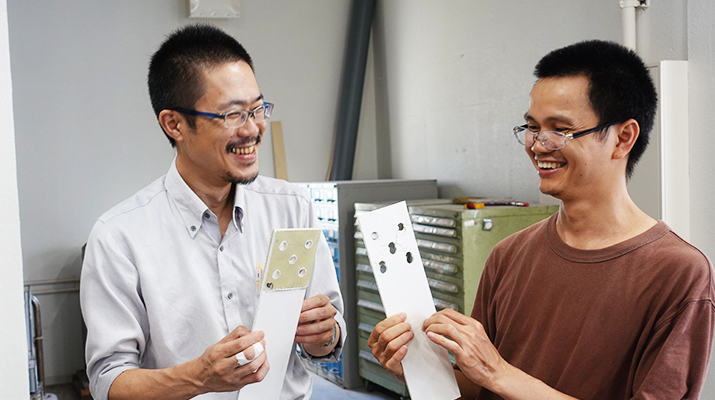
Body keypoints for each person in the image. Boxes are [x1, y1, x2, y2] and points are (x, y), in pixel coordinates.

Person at [368, 40, 715, 399]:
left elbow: (495, 375)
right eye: (532, 127)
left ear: (622, 138)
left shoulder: (678, 273)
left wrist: (500, 373)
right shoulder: (509, 255)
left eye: (560, 130)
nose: (537, 145)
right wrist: (417, 368)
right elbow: (479, 385)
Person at [80, 24, 345, 400]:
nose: (254, 129)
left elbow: (329, 337)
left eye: (258, 109)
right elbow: (109, 380)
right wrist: (198, 378)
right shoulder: (119, 237)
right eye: (233, 115)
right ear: (174, 124)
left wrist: (325, 335)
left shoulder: (292, 208)